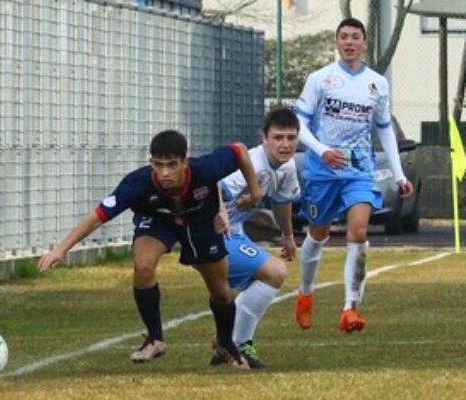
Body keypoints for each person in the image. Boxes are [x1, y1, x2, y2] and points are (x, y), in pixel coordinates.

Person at [38, 129, 261, 369]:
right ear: (150, 162)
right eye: (158, 164)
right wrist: (60, 250)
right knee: (142, 266)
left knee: (221, 291)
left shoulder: (205, 168)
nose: (164, 172)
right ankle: (155, 339)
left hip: (200, 223)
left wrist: (254, 192)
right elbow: (97, 217)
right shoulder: (137, 183)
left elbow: (239, 150)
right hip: (157, 220)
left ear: (184, 162)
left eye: (172, 164)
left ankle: (225, 342)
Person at [293, 18, 414, 333]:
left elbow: (384, 129)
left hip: (359, 170)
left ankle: (349, 308)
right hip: (322, 169)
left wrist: (399, 174)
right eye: (343, 37)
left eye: (355, 37)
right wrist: (321, 151)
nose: (349, 42)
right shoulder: (320, 79)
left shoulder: (377, 83)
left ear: (364, 44)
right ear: (337, 43)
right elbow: (299, 124)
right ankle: (305, 293)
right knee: (317, 235)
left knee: (358, 234)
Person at [209, 107, 301, 369]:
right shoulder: (253, 163)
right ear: (264, 138)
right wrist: (222, 215)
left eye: (291, 138)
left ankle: (226, 341)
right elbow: (213, 186)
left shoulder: (288, 166)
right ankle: (237, 343)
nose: (285, 144)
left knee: (265, 280)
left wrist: (288, 236)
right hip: (214, 235)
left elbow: (282, 202)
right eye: (278, 137)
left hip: (234, 235)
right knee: (274, 272)